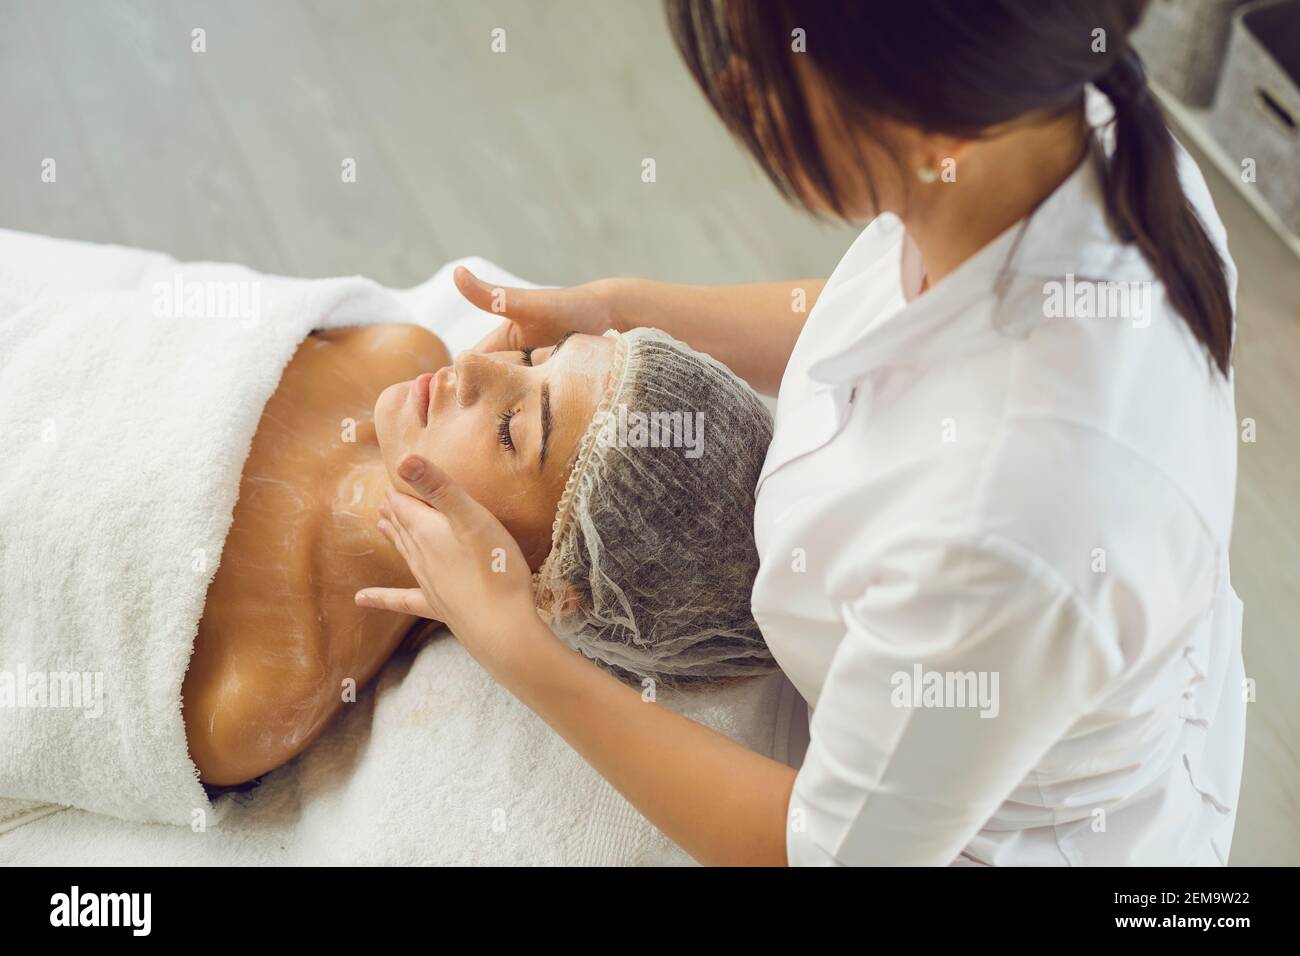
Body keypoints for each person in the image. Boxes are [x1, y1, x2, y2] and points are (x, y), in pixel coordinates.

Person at [358, 0, 1247, 865]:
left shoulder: (1012, 519)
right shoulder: (1043, 131)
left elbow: (823, 852)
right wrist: (619, 309)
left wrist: (515, 647)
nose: (739, 90)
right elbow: (884, 321)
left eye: (766, 77)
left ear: (924, 110)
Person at [185, 322, 776, 786]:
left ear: (548, 586)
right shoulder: (392, 351)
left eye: (508, 430)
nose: (469, 367)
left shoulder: (255, 692)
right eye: (533, 358)